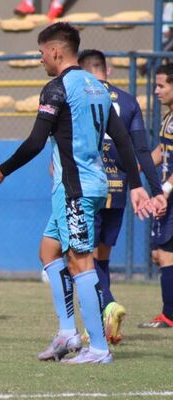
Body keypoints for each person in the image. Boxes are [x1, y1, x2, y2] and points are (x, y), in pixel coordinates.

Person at [0, 23, 155, 364]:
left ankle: (99, 349)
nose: (40, 58)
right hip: (88, 185)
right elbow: (121, 139)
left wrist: (2, 170)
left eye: (42, 52)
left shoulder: (57, 88)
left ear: (56, 51)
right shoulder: (98, 87)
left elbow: (35, 142)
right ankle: (67, 333)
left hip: (75, 189)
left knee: (80, 261)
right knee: (48, 251)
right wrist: (136, 185)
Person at [78, 49, 167, 342]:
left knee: (79, 260)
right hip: (117, 189)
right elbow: (141, 149)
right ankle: (106, 314)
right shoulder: (128, 102)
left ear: (81, 72)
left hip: (86, 188)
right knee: (101, 257)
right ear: (108, 71)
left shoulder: (77, 96)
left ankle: (103, 311)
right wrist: (152, 190)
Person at [139, 64, 173, 329]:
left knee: (164, 254)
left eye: (162, 85)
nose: (156, 90)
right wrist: (134, 167)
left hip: (169, 194)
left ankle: (169, 316)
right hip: (166, 194)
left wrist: (164, 191)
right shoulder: (168, 117)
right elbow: (161, 151)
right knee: (159, 255)